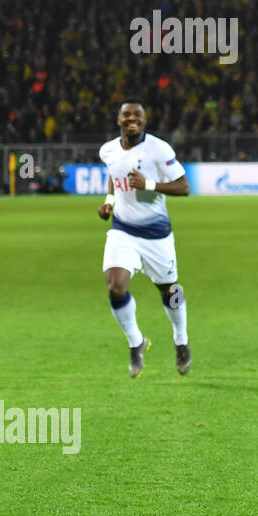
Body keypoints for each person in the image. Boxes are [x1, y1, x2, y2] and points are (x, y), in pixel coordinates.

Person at [97, 100, 192, 376]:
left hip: (156, 235)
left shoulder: (159, 150)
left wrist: (148, 184)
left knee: (170, 290)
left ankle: (181, 340)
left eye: (137, 115)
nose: (131, 119)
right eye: (126, 114)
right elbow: (114, 177)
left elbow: (184, 187)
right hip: (123, 230)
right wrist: (109, 202)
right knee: (115, 286)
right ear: (118, 120)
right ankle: (136, 343)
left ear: (144, 120)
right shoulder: (108, 150)